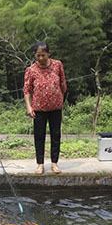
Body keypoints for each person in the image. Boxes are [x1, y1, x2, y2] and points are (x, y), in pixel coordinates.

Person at [23, 41, 67, 174]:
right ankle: (40, 164)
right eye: (38, 56)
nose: (41, 58)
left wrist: (59, 97)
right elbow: (26, 90)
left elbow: (63, 83)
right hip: (39, 109)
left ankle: (54, 163)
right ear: (34, 55)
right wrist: (29, 107)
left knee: (55, 135)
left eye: (43, 55)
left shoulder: (57, 65)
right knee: (39, 136)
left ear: (49, 54)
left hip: (55, 108)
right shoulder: (31, 70)